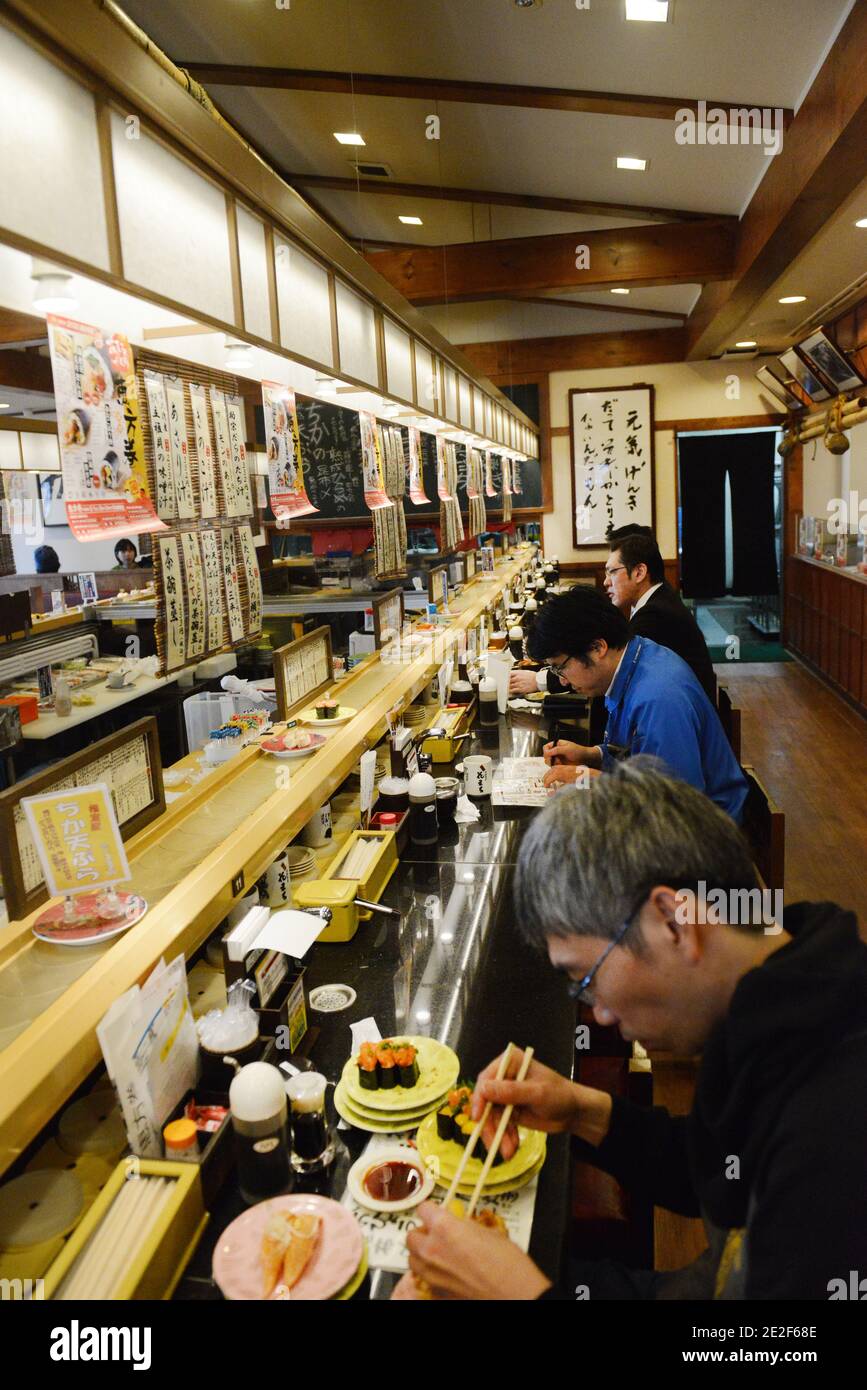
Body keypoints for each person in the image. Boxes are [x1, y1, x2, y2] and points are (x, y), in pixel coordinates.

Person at [406, 763, 867, 1300]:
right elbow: (721, 1169)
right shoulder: (777, 987)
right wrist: (583, 1110)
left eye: (587, 977)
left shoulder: (835, 1126)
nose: (597, 1013)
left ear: (674, 922)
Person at [527, 585, 746, 821]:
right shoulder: (635, 657)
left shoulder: (659, 699)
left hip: (704, 833)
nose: (561, 679)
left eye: (561, 666)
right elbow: (637, 756)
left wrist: (591, 780)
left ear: (598, 647)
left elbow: (675, 806)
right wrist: (592, 755)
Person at [605, 524, 717, 702]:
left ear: (639, 572)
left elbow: (619, 672)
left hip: (684, 718)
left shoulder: (655, 614)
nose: (606, 582)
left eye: (611, 572)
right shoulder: (658, 597)